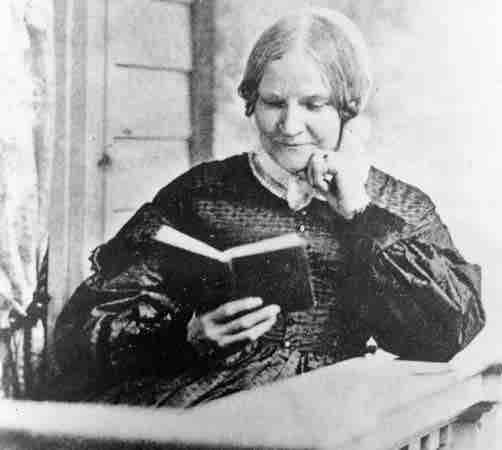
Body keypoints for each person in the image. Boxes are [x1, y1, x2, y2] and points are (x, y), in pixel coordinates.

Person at [51, 8, 485, 407]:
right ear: (252, 101)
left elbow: (447, 333)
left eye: (314, 104)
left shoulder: (396, 205)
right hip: (206, 407)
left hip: (334, 414)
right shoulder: (201, 194)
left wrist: (360, 213)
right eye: (274, 103)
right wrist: (185, 336)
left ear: (348, 106)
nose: (289, 126)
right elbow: (82, 332)